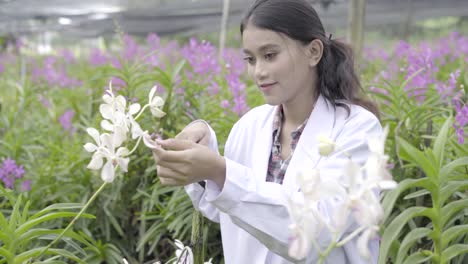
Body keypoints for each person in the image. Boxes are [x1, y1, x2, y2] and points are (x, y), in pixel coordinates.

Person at [152, 0, 381, 263]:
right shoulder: (249, 126)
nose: (258, 71)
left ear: (313, 52)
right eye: (250, 59)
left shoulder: (357, 129)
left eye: (270, 55)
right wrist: (202, 157)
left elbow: (318, 232)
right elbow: (227, 211)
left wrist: (220, 171)